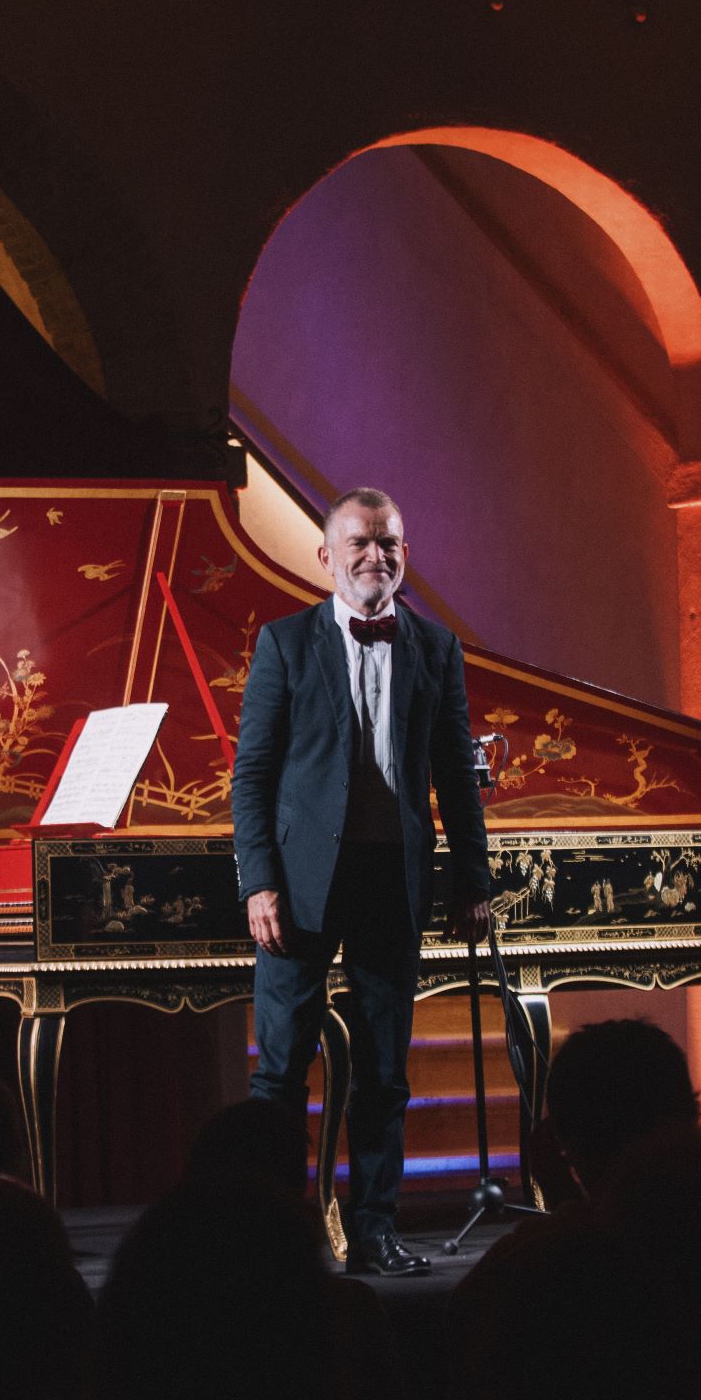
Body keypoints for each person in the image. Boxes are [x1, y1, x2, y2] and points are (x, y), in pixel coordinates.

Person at [231, 486, 490, 1276]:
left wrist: (474, 876)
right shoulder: (284, 643)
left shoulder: (436, 647)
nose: (378, 557)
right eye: (362, 544)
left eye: (391, 544)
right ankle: (270, 1238)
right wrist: (259, 881)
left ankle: (376, 1232)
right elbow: (253, 775)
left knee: (383, 1073)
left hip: (391, 879)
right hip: (300, 886)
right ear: (326, 558)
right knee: (279, 1070)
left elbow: (454, 772)